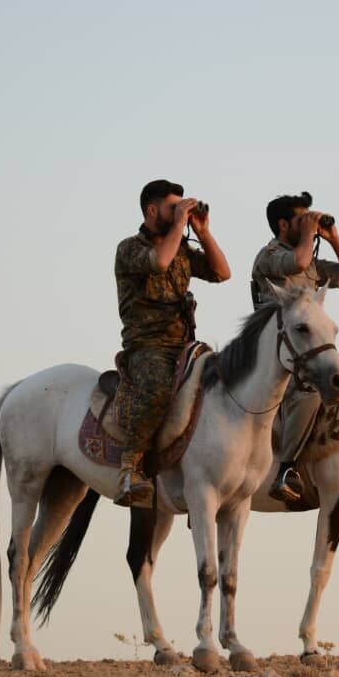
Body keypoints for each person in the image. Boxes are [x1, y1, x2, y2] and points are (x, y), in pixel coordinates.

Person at [113, 179, 231, 507]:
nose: (179, 211)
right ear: (152, 210)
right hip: (147, 346)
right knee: (158, 389)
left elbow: (222, 273)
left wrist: (203, 231)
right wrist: (180, 223)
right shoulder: (129, 248)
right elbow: (159, 262)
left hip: (185, 345)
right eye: (171, 206)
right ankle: (130, 467)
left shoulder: (182, 248)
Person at [250, 191, 339, 502]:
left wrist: (333, 237)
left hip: (306, 350)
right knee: (309, 394)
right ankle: (287, 469)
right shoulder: (269, 256)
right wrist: (310, 234)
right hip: (275, 355)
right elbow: (298, 260)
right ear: (284, 224)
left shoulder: (309, 260)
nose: (310, 223)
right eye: (302, 218)